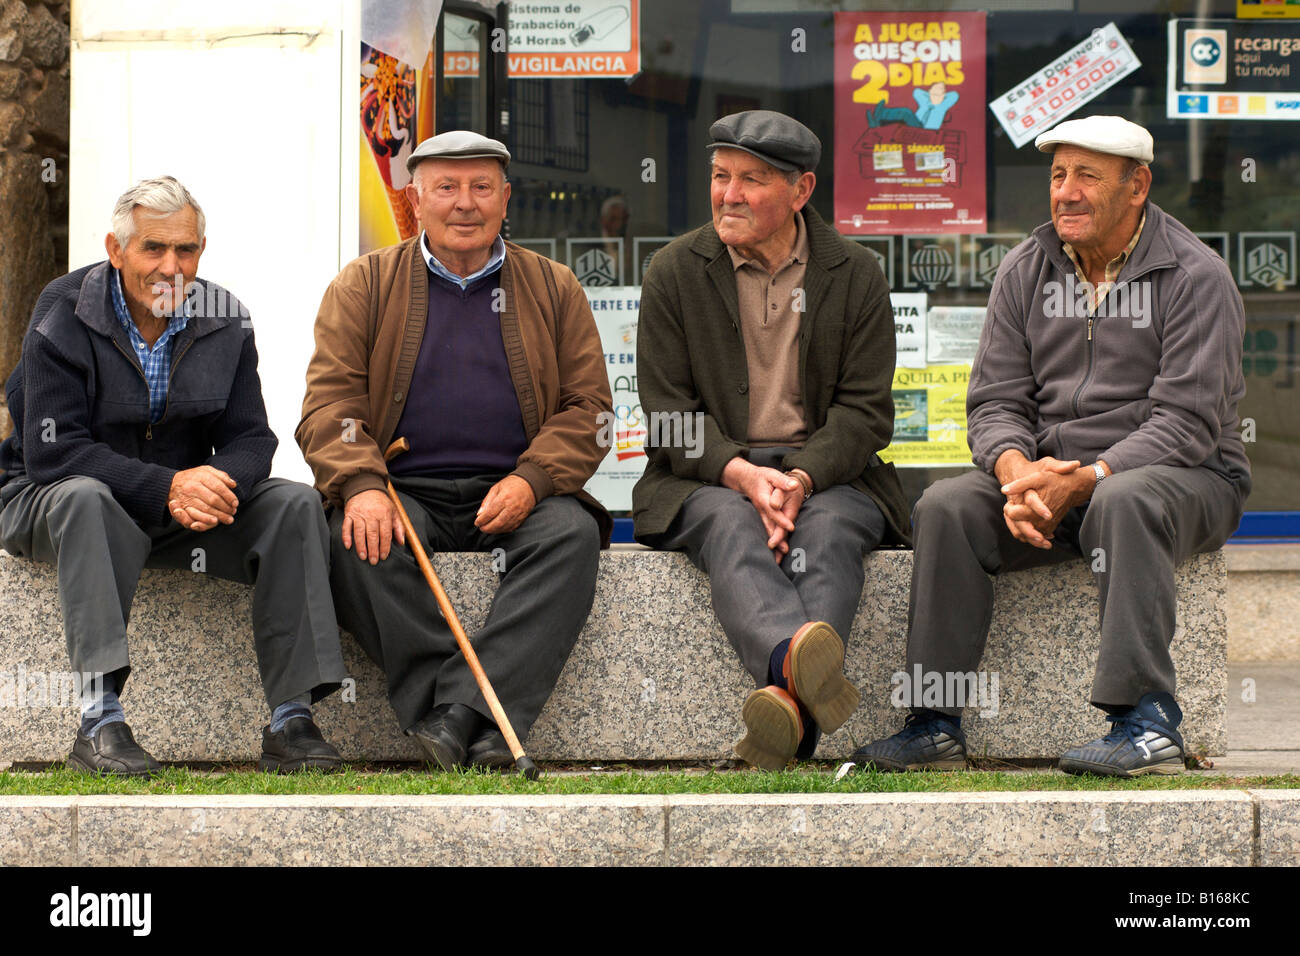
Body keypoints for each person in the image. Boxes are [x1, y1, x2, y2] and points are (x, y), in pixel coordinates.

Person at [854, 115, 1251, 776]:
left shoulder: (1193, 276)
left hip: (1187, 476)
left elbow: (1188, 421)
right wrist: (1016, 474)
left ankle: (1147, 720)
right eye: (1058, 175)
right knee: (947, 506)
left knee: (1123, 499)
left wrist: (1089, 475)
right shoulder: (1026, 268)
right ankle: (934, 721)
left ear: (1137, 187)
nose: (1066, 192)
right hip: (1053, 480)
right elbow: (995, 400)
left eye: (1087, 177)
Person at [0, 176, 347, 775]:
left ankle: (292, 719)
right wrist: (168, 486)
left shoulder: (224, 318)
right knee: (86, 497)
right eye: (153, 249)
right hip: (52, 500)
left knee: (293, 503)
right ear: (116, 249)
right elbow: (53, 453)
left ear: (201, 250)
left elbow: (251, 438)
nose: (171, 267)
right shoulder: (63, 309)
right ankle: (99, 720)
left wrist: (209, 480)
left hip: (178, 513)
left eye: (185, 250)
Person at [297, 131, 612, 771]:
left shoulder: (555, 287)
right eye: (446, 187)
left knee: (571, 536)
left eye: (480, 187)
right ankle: (476, 714)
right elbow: (330, 407)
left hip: (518, 492)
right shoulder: (363, 284)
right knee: (352, 539)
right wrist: (361, 485)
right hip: (403, 489)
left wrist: (533, 478)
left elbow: (591, 411)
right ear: (416, 200)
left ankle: (454, 719)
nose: (463, 203)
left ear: (506, 200)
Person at [633, 110, 911, 770]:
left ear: (801, 190)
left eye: (752, 180)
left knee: (834, 531)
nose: (729, 195)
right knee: (728, 527)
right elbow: (668, 416)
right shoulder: (674, 271)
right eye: (720, 176)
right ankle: (797, 666)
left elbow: (865, 412)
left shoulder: (857, 273)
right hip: (707, 476)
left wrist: (801, 479)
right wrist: (742, 474)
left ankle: (782, 712)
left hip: (830, 474)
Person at [867, 83, 959, 130]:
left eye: (941, 89)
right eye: (935, 88)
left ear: (944, 94)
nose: (938, 90)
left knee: (906, 112)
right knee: (901, 117)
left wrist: (940, 96)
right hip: (916, 125)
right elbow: (917, 91)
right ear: (930, 91)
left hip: (927, 131)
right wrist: (931, 95)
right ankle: (878, 121)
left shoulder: (942, 106)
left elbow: (955, 95)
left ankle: (880, 116)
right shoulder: (924, 102)